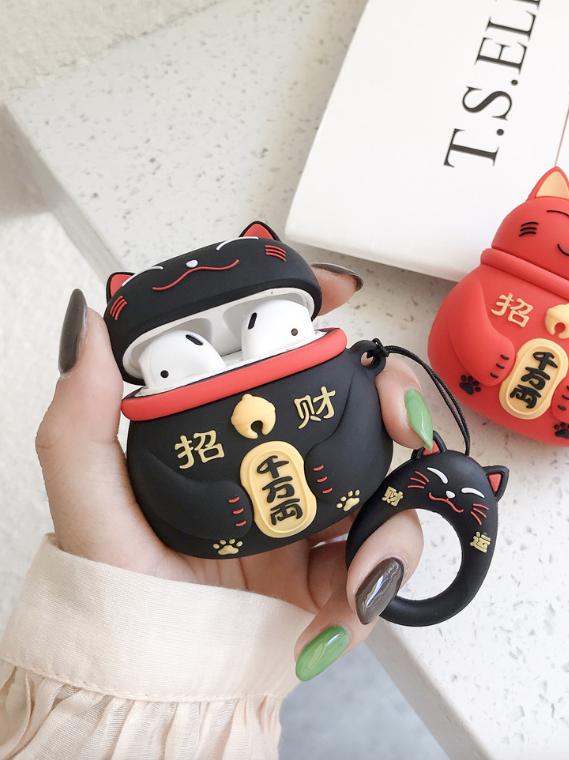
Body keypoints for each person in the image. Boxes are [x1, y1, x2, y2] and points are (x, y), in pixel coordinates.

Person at [0, 266, 430, 758]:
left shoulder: (336, 377)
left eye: (284, 330)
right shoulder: (158, 440)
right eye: (171, 366)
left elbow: (355, 422)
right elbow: (166, 484)